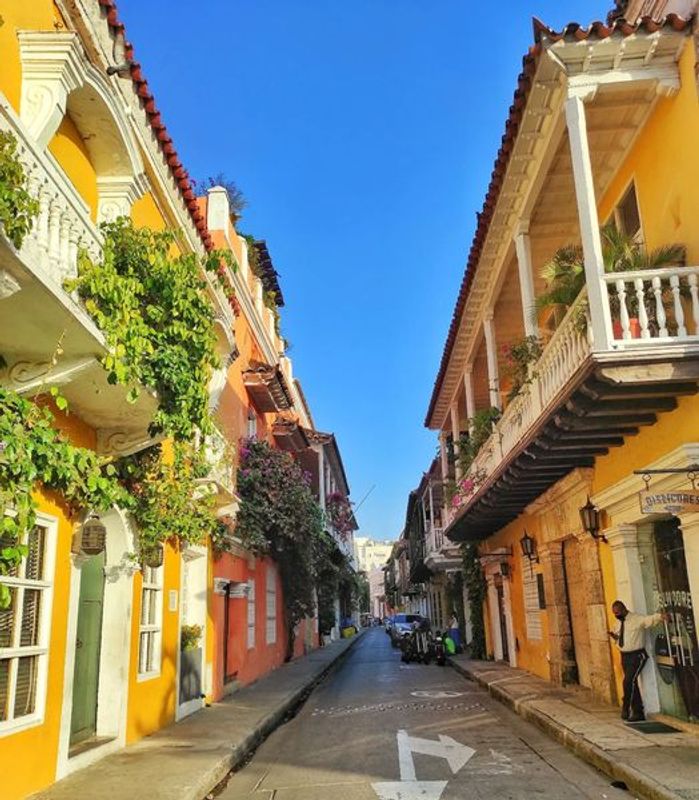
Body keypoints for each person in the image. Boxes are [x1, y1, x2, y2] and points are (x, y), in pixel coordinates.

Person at [608, 600, 667, 722]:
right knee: (631, 682)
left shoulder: (636, 619)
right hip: (625, 656)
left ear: (623, 609)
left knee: (628, 681)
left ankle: (627, 708)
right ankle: (637, 711)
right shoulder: (618, 623)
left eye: (618, 612)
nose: (616, 615)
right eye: (614, 613)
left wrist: (661, 617)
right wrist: (615, 638)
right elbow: (620, 636)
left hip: (637, 655)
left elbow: (648, 620)